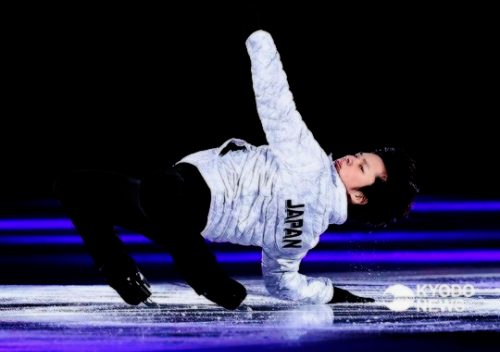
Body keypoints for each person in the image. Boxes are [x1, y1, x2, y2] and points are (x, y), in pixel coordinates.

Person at [54, 30, 418, 309]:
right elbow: (282, 283)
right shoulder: (306, 233)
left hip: (187, 197)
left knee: (141, 188)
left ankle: (207, 279)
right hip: (183, 222)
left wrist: (258, 37)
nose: (352, 158)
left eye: (362, 166)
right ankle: (122, 271)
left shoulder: (309, 162)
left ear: (359, 195)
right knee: (76, 187)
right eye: (359, 154)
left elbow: (276, 101)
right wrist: (333, 295)